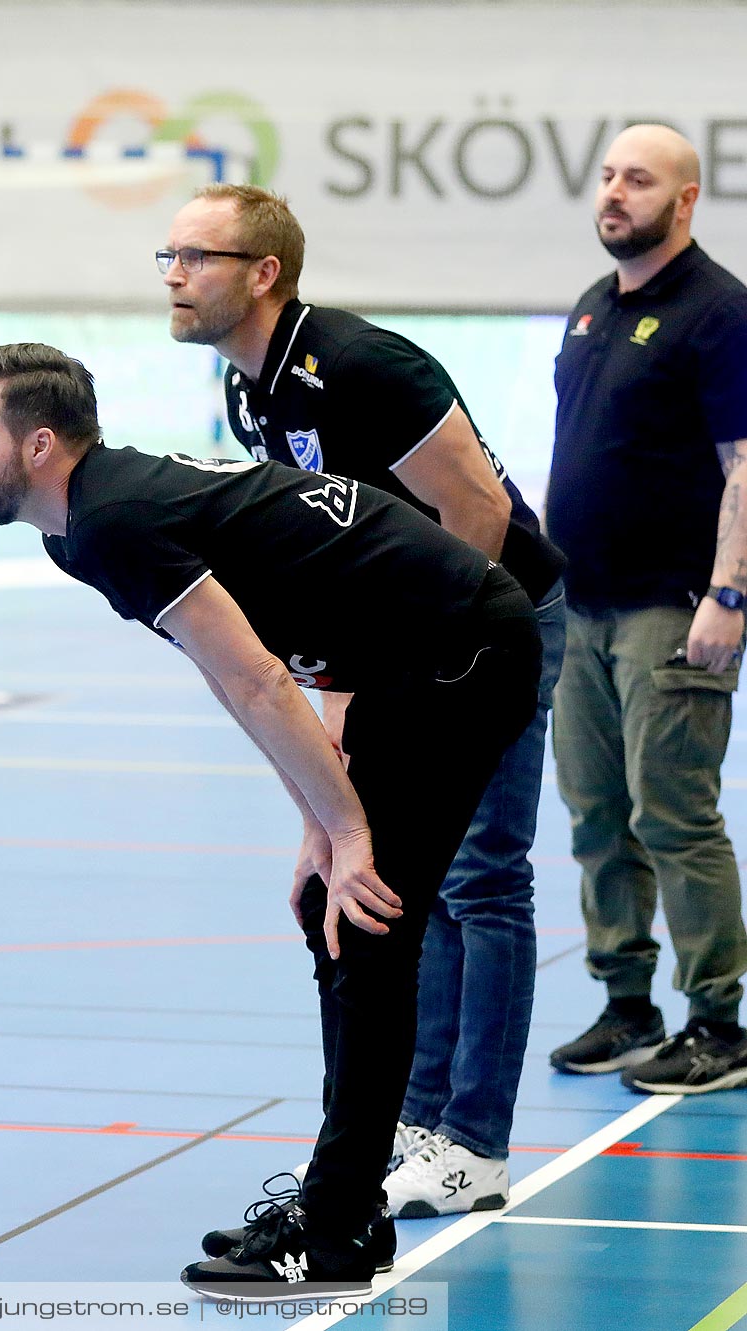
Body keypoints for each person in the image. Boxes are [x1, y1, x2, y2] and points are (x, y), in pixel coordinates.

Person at [0, 343, 540, 1300]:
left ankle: (338, 1223)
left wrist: (349, 834)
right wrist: (320, 822)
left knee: (370, 920)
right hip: (398, 653)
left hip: (464, 647)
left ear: (39, 444)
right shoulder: (77, 529)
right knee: (331, 912)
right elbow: (247, 667)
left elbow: (258, 680)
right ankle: (346, 1202)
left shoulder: (115, 519)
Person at [160, 183, 568, 1216]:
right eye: (166, 255)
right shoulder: (247, 390)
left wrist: (420, 653)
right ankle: (411, 1123)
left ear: (264, 273)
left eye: (196, 257)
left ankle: (473, 1142)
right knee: (398, 871)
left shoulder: (357, 364)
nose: (173, 275)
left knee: (482, 872)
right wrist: (339, 683)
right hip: (404, 636)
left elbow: (476, 505)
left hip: (498, 615)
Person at [545, 123, 747, 1095]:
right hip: (582, 608)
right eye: (610, 174)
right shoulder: (592, 306)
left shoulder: (720, 312)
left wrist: (730, 592)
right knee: (596, 816)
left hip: (672, 610)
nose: (617, 192)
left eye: (641, 179)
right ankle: (629, 1003)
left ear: (687, 198)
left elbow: (745, 461)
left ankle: (718, 1021)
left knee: (675, 815)